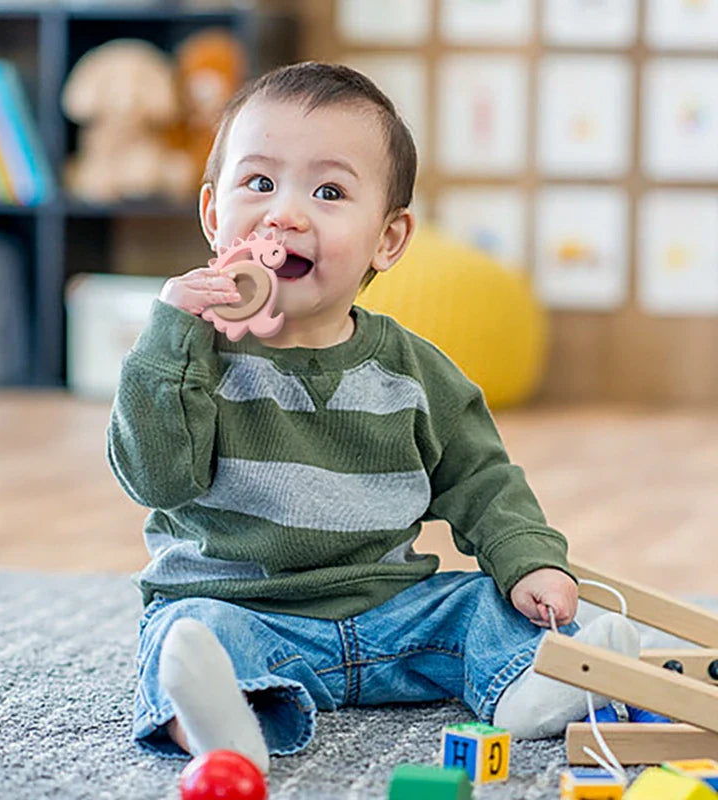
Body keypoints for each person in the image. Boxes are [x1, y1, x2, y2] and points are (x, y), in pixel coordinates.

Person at [107, 61, 638, 774]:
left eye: (328, 192)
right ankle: (220, 725)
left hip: (393, 615)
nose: (283, 215)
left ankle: (538, 681)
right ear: (212, 215)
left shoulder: (414, 372)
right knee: (189, 633)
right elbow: (157, 478)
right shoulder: (188, 358)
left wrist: (528, 561)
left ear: (387, 240)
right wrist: (170, 336)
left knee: (481, 607)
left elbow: (482, 479)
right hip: (247, 607)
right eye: (258, 183)